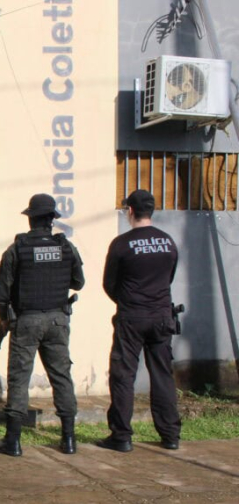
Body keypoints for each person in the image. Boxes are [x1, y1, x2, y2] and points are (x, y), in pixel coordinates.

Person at [0, 193, 85, 457]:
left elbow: (2, 291)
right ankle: (68, 439)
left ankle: (14, 441)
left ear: (31, 220)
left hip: (27, 321)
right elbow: (78, 282)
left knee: (19, 379)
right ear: (52, 220)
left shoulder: (17, 249)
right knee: (61, 377)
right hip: (57, 319)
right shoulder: (66, 247)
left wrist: (4, 318)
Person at [98, 189, 180, 452]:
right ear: (151, 211)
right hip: (161, 316)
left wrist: (127, 301)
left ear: (130, 211)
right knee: (163, 375)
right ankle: (170, 436)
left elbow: (109, 283)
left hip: (131, 318)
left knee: (123, 375)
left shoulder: (121, 244)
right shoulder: (168, 242)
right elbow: (169, 278)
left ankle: (121, 436)